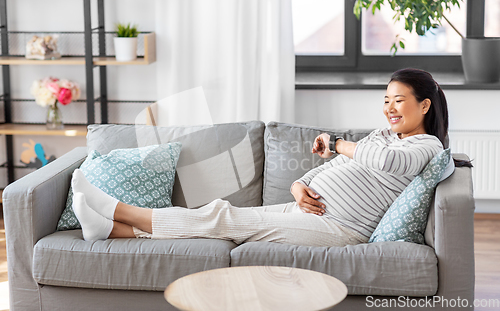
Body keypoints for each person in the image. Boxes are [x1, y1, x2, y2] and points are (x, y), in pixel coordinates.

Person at [72, 68, 460, 247]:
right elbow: (341, 165)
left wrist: (338, 141)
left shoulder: (425, 147)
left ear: (424, 105)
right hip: (307, 212)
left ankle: (121, 210)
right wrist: (300, 183)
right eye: (386, 101)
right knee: (219, 219)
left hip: (341, 230)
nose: (390, 108)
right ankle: (110, 231)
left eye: (399, 101)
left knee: (223, 215)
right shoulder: (383, 135)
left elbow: (386, 163)